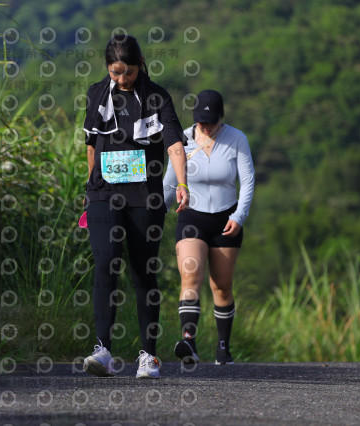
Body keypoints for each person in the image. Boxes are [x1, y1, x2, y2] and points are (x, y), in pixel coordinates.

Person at [82, 34, 189, 379]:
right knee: (106, 261)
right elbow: (91, 144)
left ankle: (148, 355)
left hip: (144, 195)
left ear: (140, 64)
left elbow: (174, 144)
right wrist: (90, 186)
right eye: (115, 72)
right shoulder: (96, 94)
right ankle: (102, 350)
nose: (122, 78)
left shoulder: (158, 97)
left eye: (127, 72)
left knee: (143, 270)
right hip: (103, 191)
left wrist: (182, 183)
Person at [163, 89, 255, 365]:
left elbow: (247, 180)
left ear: (221, 117)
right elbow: (170, 182)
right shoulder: (183, 139)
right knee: (190, 276)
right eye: (201, 122)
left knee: (222, 286)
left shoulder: (237, 139)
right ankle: (188, 341)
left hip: (226, 219)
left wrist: (239, 216)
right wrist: (155, 214)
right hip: (192, 217)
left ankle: (223, 347)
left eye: (212, 122)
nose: (206, 127)